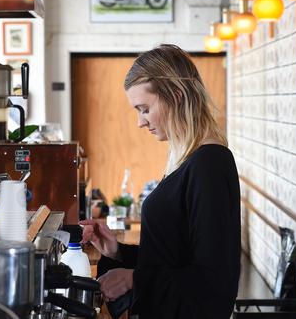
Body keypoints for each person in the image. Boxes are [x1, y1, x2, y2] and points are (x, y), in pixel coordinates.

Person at [80, 44, 241, 319]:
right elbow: (173, 257)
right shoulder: (187, 158)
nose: (140, 122)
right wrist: (118, 252)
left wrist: (135, 280)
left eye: (144, 109)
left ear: (176, 96)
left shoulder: (209, 164)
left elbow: (214, 282)